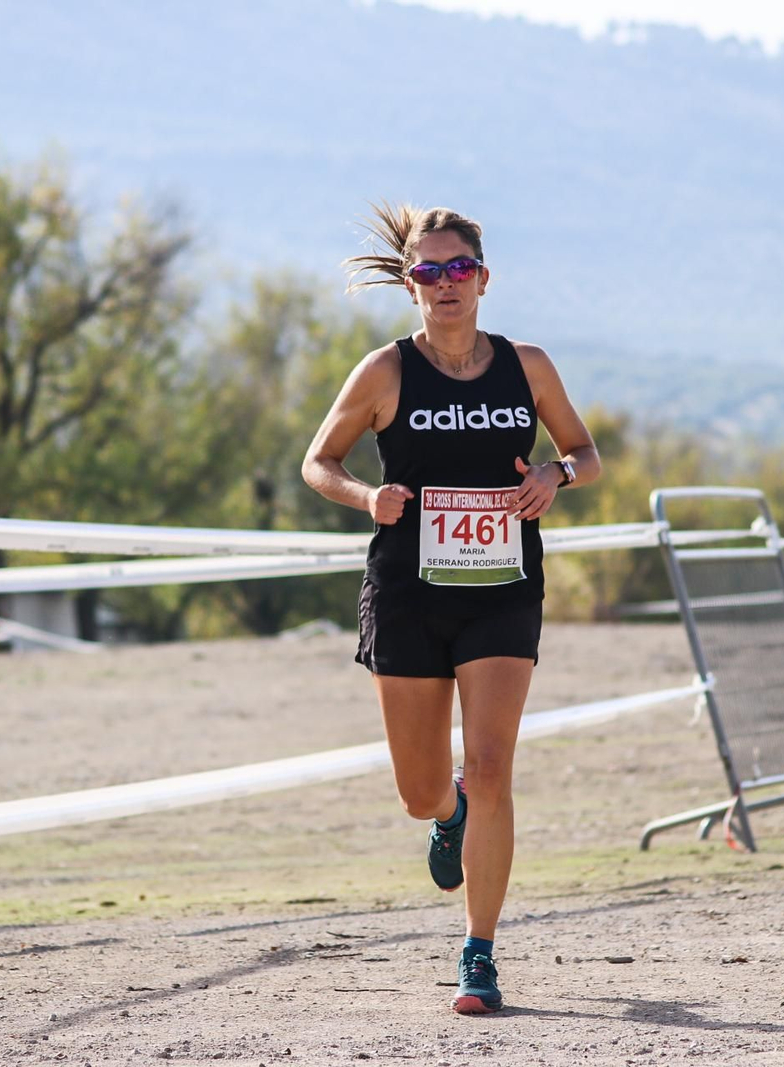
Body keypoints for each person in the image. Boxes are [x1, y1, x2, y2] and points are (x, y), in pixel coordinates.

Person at [301, 203, 600, 1014]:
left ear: (483, 278)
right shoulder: (385, 371)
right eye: (428, 271)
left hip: (502, 591)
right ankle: (448, 811)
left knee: (495, 764)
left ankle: (479, 950)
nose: (445, 283)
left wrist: (556, 475)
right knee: (420, 789)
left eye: (458, 267)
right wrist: (367, 496)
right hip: (408, 594)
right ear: (411, 285)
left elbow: (584, 451)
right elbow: (319, 461)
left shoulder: (527, 366)